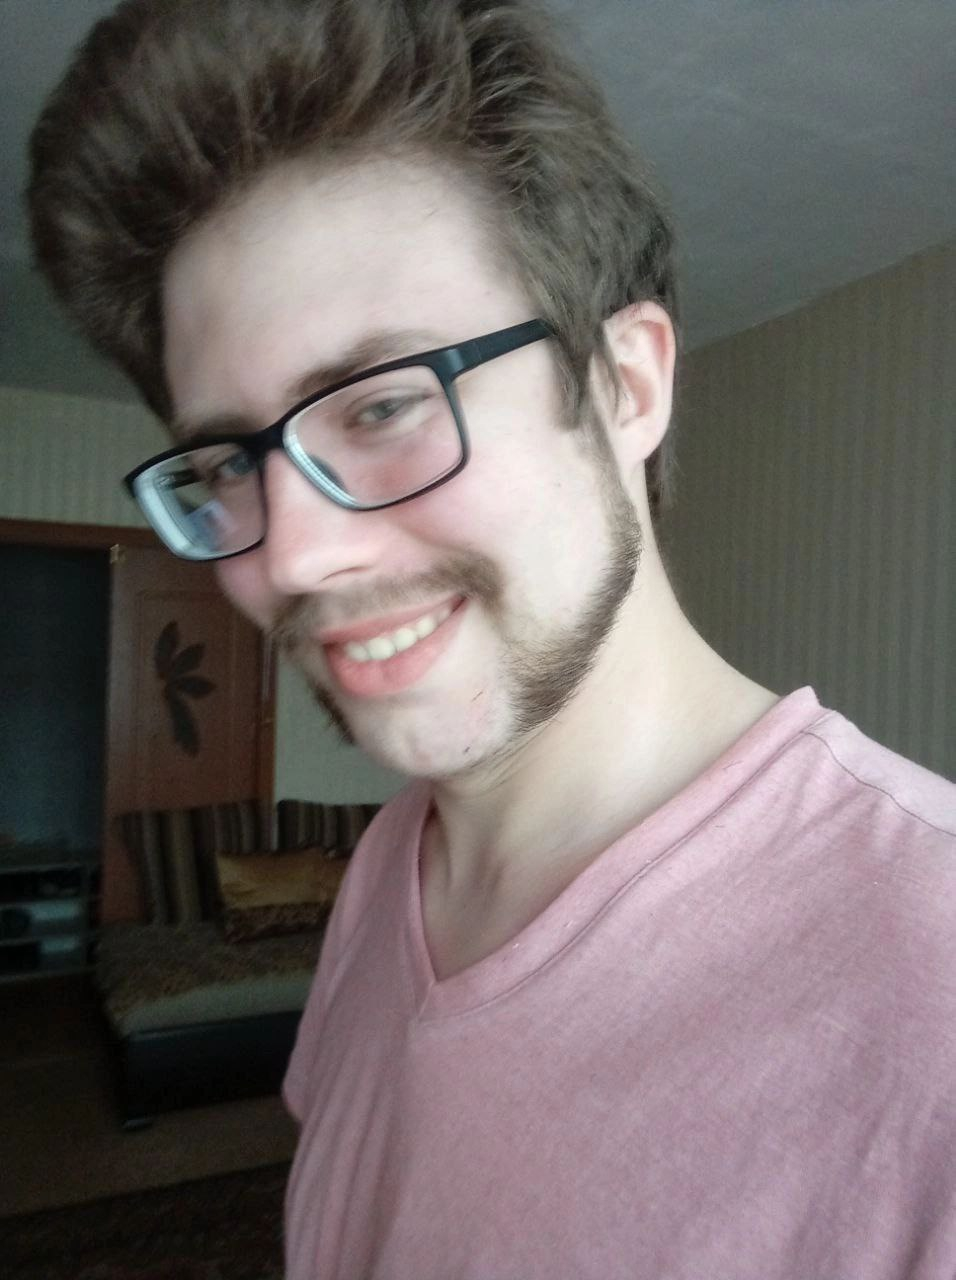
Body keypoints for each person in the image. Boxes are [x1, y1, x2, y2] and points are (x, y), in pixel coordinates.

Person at [27, 1, 956, 1276]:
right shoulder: (383, 873)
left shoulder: (927, 993)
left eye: (383, 405)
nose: (290, 556)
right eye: (230, 462)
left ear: (624, 383)